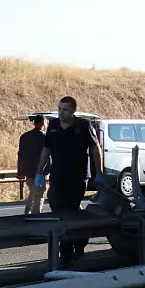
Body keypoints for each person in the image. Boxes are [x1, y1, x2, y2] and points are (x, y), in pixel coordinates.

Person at [36, 96, 102, 268]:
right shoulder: (54, 127)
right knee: (57, 207)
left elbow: (95, 149)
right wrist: (39, 172)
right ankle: (78, 239)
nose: (61, 112)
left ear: (73, 110)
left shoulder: (83, 126)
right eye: (59, 109)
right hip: (58, 176)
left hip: (78, 176)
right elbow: (46, 149)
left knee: (69, 212)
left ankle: (67, 252)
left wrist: (99, 172)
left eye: (64, 109)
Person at [16, 115, 48, 215]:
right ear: (43, 123)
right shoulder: (44, 136)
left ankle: (28, 212)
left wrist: (20, 170)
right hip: (40, 170)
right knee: (39, 193)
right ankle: (35, 214)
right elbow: (47, 154)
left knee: (34, 190)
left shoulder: (24, 136)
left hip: (27, 170)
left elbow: (20, 154)